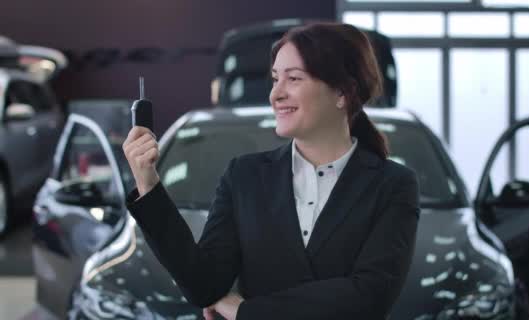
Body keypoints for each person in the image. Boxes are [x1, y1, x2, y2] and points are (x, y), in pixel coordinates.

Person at [122, 22, 420, 320]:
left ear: (342, 92)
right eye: (275, 79)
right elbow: (204, 283)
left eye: (293, 79)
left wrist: (246, 312)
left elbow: (368, 296)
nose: (275, 94)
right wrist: (149, 185)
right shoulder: (245, 177)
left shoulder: (393, 184)